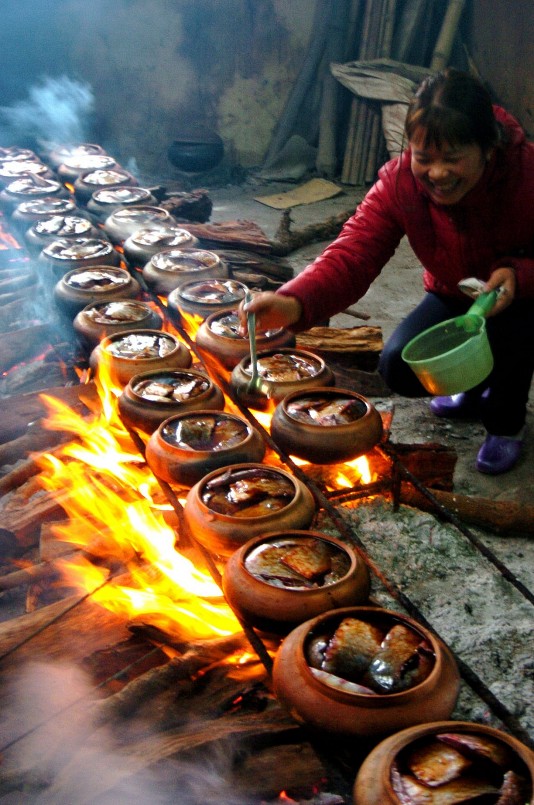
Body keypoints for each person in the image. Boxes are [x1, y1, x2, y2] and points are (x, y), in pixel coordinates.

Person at [239, 68, 534, 475]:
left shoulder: (525, 175)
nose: (437, 174)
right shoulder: (400, 184)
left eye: (452, 159)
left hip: (521, 300)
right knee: (399, 367)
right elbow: (353, 253)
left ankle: (506, 422)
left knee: (516, 336)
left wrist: (520, 275)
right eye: (424, 158)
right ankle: (472, 387)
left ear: (487, 148)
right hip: (454, 294)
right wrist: (293, 302)